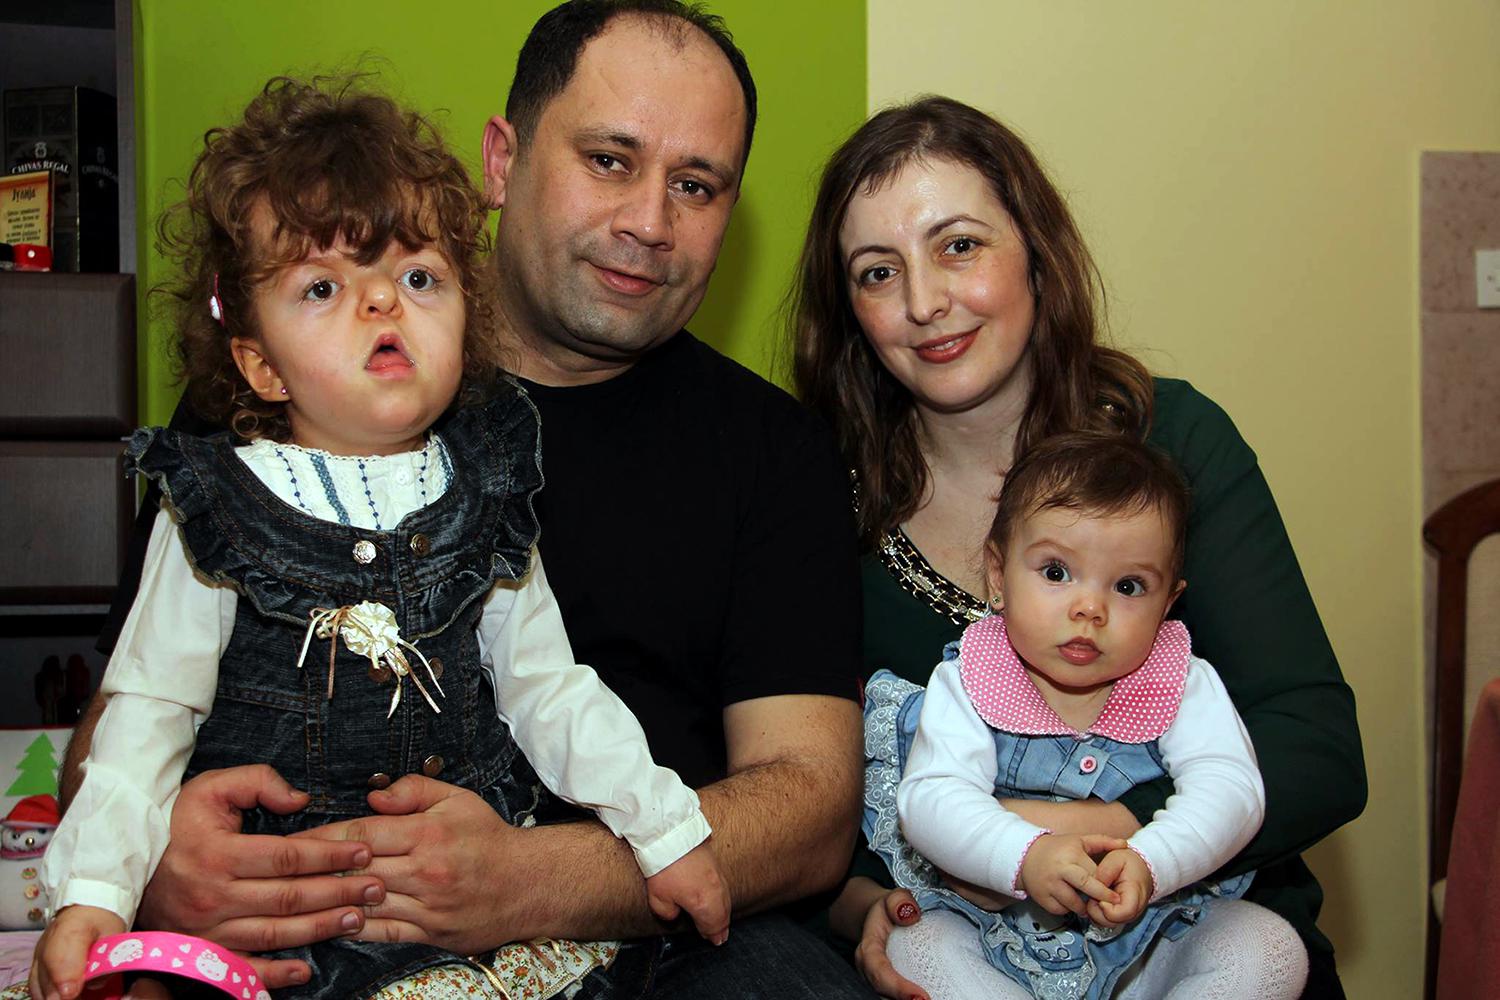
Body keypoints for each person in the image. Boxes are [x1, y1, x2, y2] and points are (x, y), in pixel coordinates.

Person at [54, 3, 869, 999]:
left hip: (652, 937)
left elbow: (814, 811)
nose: (651, 223)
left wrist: (535, 882)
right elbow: (124, 721)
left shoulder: (770, 450)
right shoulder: (263, 421)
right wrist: (152, 863)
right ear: (501, 160)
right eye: (610, 160)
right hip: (292, 919)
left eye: (695, 186)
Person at [791, 96, 1365, 999]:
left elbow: (1318, 752)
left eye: (959, 245)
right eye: (875, 272)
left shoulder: (1169, 443)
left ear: (1035, 250)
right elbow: (799, 797)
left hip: (1198, 937)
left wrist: (1100, 829)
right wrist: (864, 907)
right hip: (965, 949)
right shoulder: (819, 500)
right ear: (849, 309)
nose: (924, 302)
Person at [863, 432, 1307, 999]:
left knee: (1268, 949)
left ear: (1168, 601)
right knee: (916, 950)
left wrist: (1153, 861)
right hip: (997, 933)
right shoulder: (972, 676)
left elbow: (1232, 790)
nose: (1089, 609)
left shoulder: (1179, 679)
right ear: (998, 577)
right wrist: (1023, 855)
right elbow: (931, 798)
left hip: (1152, 938)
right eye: (1055, 572)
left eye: (1128, 586)